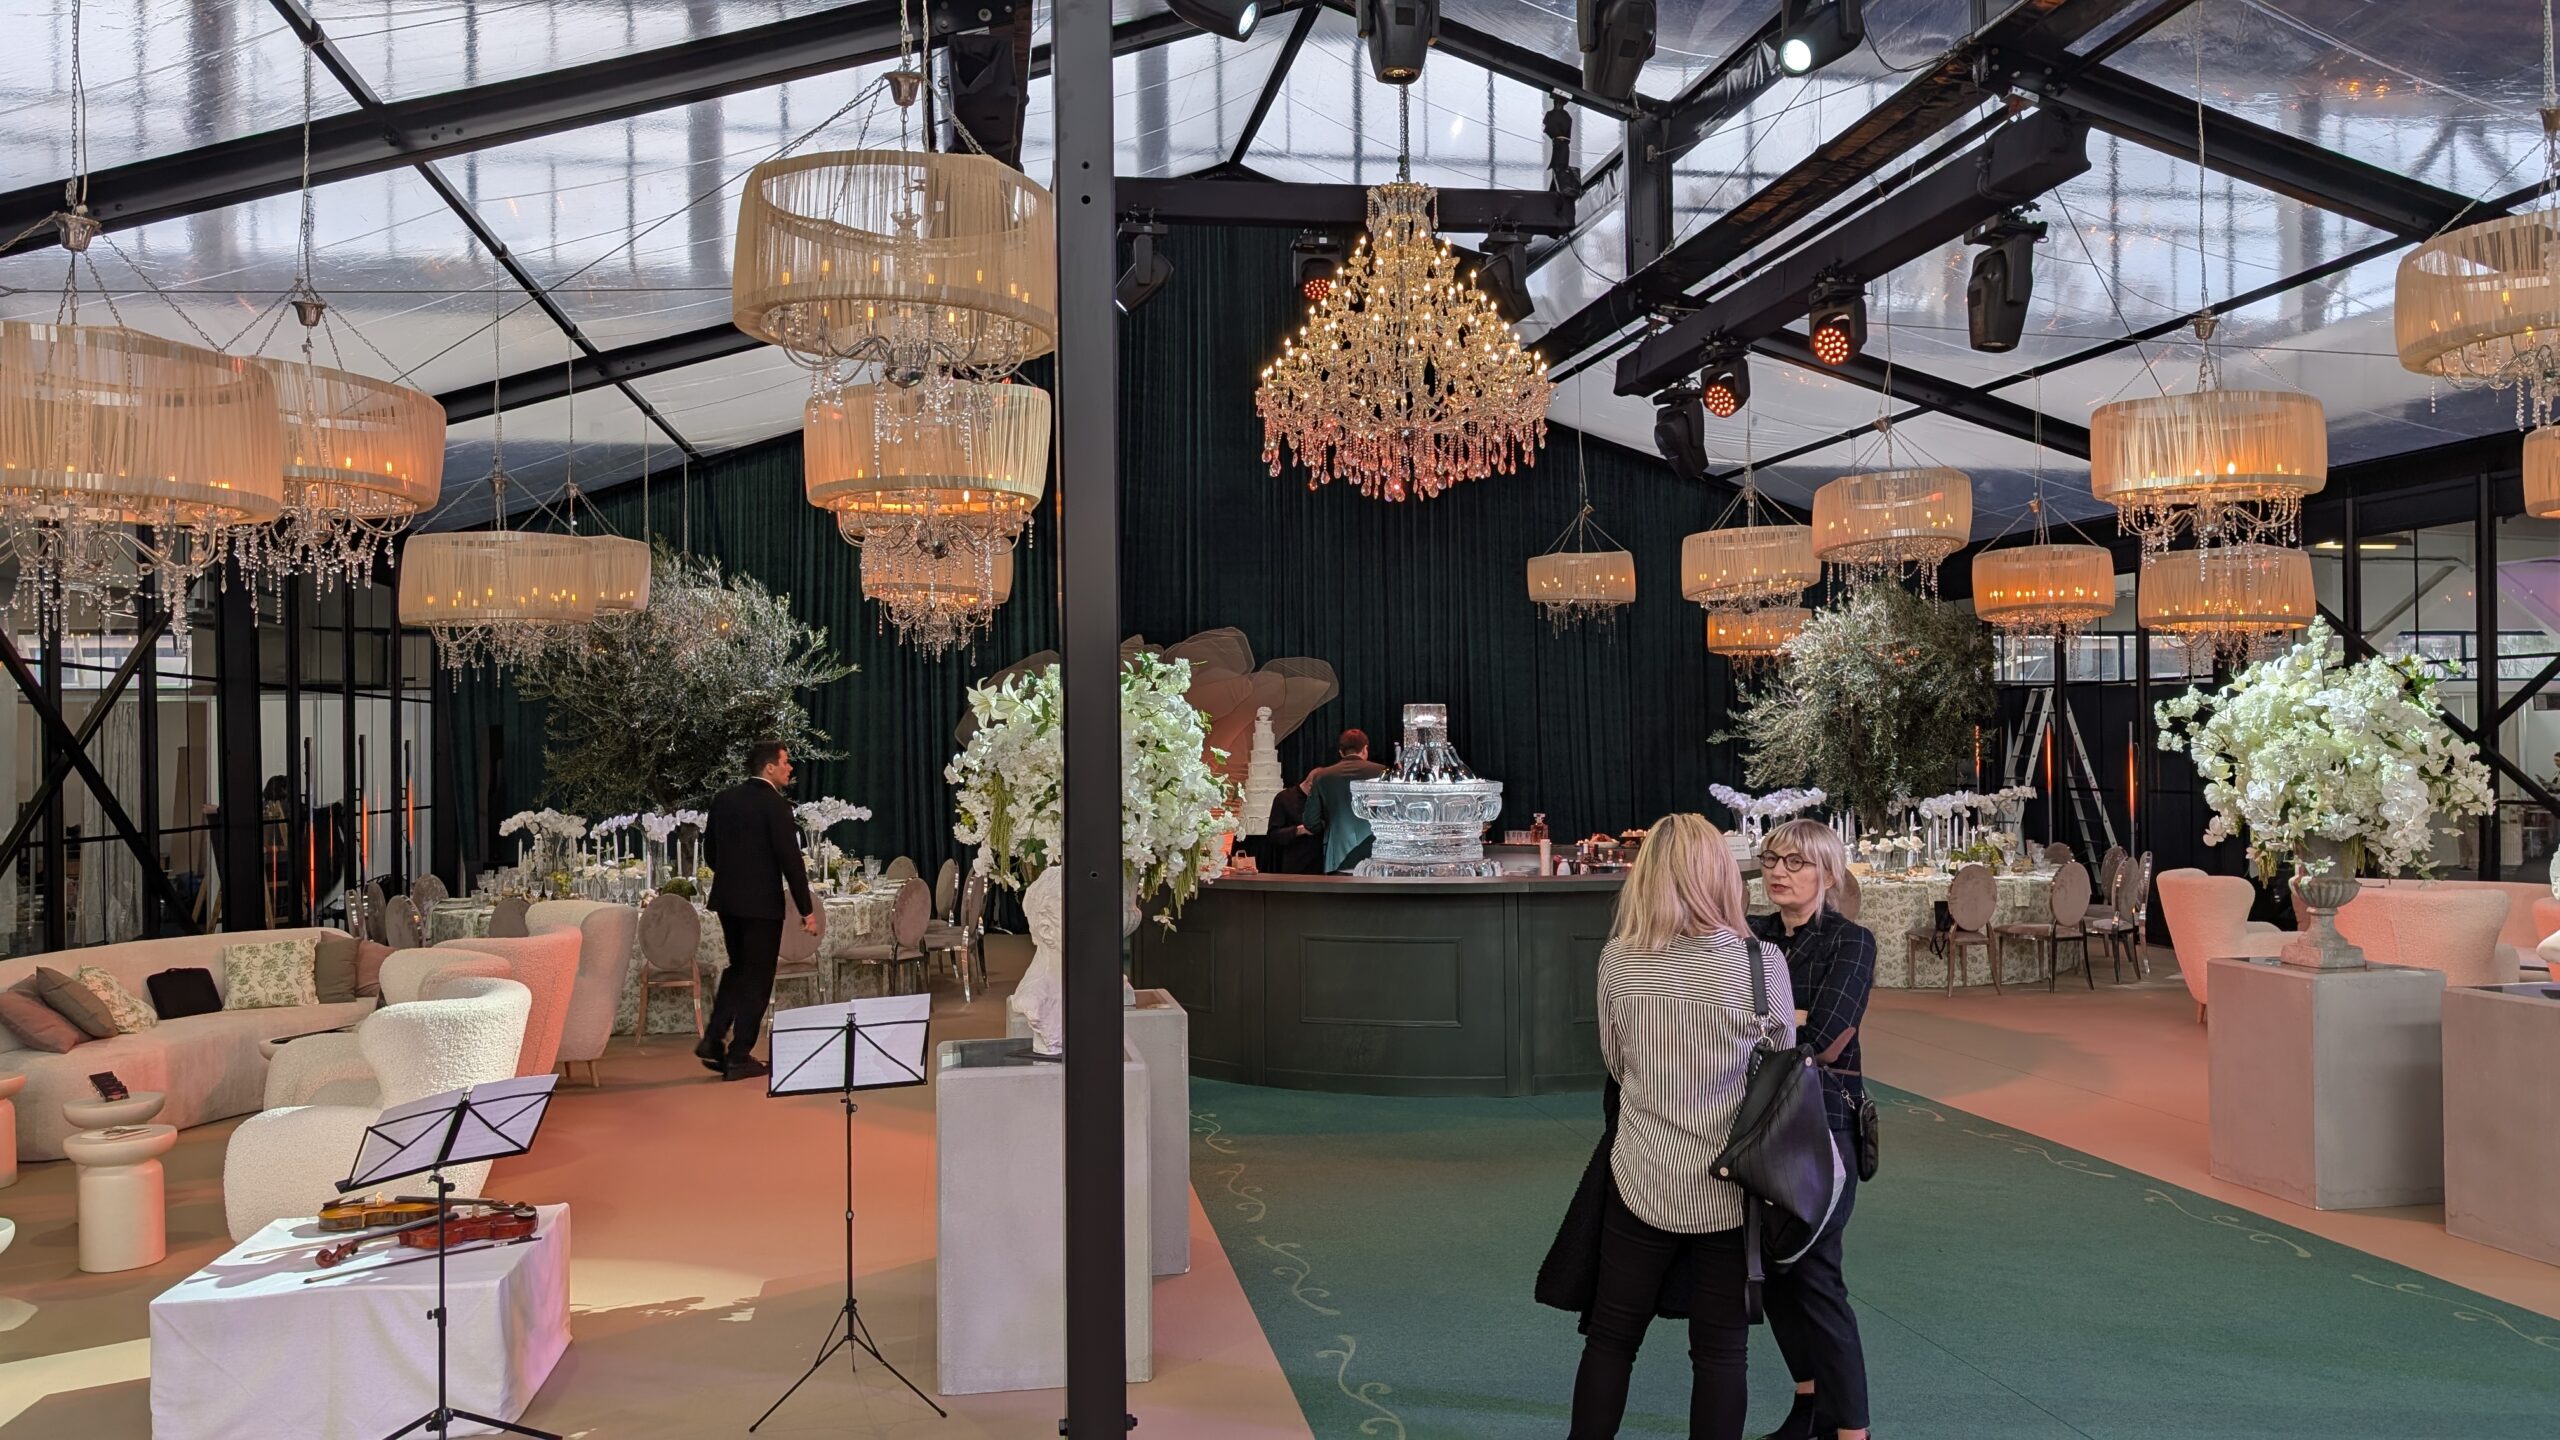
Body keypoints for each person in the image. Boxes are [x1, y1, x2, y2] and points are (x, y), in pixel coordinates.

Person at [1568, 813, 1793, 1440]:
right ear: (1720, 874)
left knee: (1611, 1339)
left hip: (1642, 1172)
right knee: (1721, 1352)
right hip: (1733, 1185)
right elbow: (1780, 1072)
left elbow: (1615, 1063)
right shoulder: (1760, 964)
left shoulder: (1619, 960)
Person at [1748, 818, 1875, 1440]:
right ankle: (1810, 1404)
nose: (1779, 872)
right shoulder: (1749, 936)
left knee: (1818, 1275)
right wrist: (1791, 1014)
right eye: (1772, 860)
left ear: (1827, 873)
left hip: (1824, 1124)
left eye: (1796, 862)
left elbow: (1824, 1038)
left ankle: (1851, 1431)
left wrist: (1768, 1019)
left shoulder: (1852, 942)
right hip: (1755, 1125)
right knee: (1771, 1273)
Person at [699, 740, 817, 1082]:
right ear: (769, 767)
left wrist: (734, 878)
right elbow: (791, 862)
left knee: (738, 969)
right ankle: (739, 1056)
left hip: (727, 901)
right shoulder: (776, 805)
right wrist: (806, 909)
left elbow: (710, 853)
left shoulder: (723, 800)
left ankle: (713, 1038)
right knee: (759, 978)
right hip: (762, 906)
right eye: (786, 762)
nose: (790, 768)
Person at [1298, 729, 1389, 874]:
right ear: (1365, 749)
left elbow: (1310, 821)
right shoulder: (1382, 772)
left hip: (1336, 856)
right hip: (1375, 853)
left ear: (1341, 752)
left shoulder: (1322, 777)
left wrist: (1327, 825)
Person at [1259, 775, 1323, 875]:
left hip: (1322, 866)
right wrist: (1299, 830)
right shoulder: (1284, 798)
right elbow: (1273, 835)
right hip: (1296, 867)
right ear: (1310, 785)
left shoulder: (1325, 800)